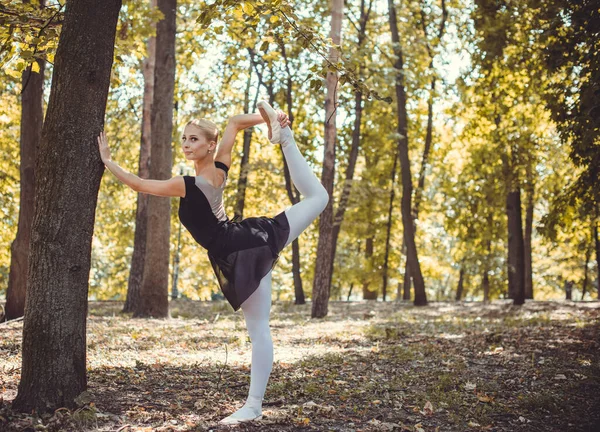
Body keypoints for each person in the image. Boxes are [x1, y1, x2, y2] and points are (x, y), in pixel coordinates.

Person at [98, 100, 329, 425]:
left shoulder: (187, 185)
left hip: (239, 247)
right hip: (245, 241)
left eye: (194, 139)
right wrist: (269, 119)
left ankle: (253, 405)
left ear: (210, 144)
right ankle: (252, 405)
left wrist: (108, 161)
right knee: (318, 199)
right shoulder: (218, 170)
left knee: (318, 200)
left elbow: (139, 184)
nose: (187, 145)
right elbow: (234, 122)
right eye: (184, 139)